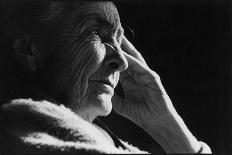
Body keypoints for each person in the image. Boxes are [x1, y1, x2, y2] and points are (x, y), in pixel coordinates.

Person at [0, 1, 211, 154]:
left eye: (118, 41)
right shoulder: (19, 125)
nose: (122, 61)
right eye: (95, 32)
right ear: (29, 49)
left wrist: (166, 126)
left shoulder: (102, 138)